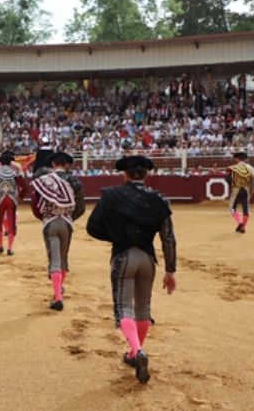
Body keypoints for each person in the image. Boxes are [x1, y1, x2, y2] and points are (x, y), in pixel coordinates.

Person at [86, 155, 177, 384]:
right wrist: (170, 270)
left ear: (124, 174)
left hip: (123, 257)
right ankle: (135, 352)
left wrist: (117, 235)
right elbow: (168, 238)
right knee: (143, 308)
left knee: (123, 307)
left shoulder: (112, 195)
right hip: (148, 259)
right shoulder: (160, 198)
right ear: (146, 175)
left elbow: (92, 228)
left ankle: (137, 351)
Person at [30, 152, 86, 311]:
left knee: (53, 259)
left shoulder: (44, 180)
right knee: (63, 259)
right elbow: (81, 208)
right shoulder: (74, 181)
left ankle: (58, 297)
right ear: (67, 165)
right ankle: (59, 287)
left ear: (53, 164)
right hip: (67, 223)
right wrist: (67, 217)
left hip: (50, 222)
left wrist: (46, 216)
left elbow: (35, 204)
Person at [0, 151, 28, 256]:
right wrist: (19, 197)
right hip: (11, 199)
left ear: (1, 162)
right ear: (10, 162)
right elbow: (25, 187)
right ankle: (9, 249)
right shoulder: (14, 173)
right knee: (11, 223)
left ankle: (0, 246)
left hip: (0, 199)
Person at [228, 152, 254, 233]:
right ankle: (243, 227)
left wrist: (232, 188)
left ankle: (240, 222)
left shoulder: (234, 168)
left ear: (237, 159)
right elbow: (253, 182)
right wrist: (252, 191)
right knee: (246, 210)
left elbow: (229, 179)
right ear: (246, 159)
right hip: (246, 190)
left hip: (236, 190)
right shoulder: (251, 168)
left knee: (232, 209)